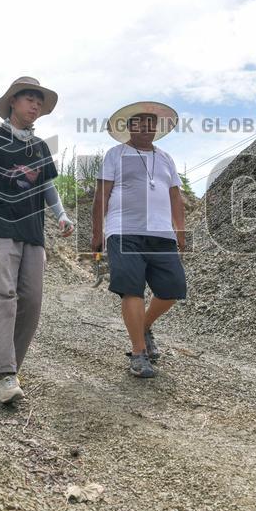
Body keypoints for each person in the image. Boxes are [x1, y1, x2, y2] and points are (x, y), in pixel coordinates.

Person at [0, 76, 74, 403]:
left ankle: (3, 365)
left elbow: (47, 186)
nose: (35, 106)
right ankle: (6, 374)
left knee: (31, 302)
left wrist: (61, 214)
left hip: (32, 234)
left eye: (39, 102)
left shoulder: (39, 147)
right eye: (29, 99)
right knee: (2, 296)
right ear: (12, 101)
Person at [91, 101, 187, 378]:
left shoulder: (166, 158)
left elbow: (175, 197)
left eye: (150, 122)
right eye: (139, 122)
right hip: (123, 231)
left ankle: (143, 326)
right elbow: (101, 195)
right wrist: (97, 232)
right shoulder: (116, 154)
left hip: (161, 233)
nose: (146, 126)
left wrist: (180, 230)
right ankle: (138, 353)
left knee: (173, 289)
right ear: (129, 127)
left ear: (157, 128)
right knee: (131, 289)